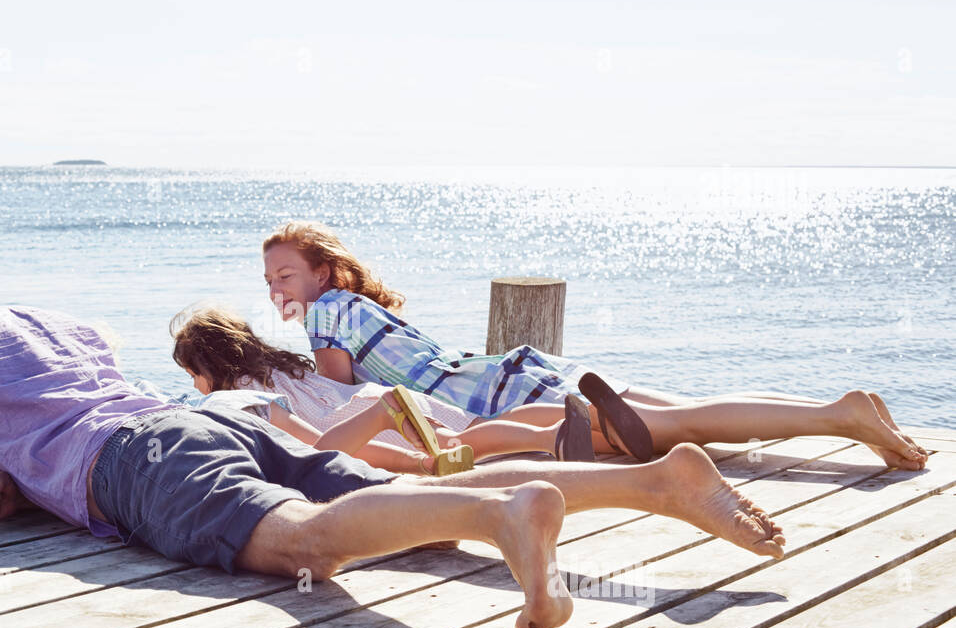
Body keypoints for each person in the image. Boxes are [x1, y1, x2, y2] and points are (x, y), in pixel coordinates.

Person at [0, 247, 785, 628]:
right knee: (394, 507)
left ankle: (506, 511)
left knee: (306, 543)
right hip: (222, 424)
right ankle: (656, 483)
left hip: (137, 464)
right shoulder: (60, 322)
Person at [260, 220, 930, 471]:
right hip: (518, 369)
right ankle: (837, 412)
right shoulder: (363, 305)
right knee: (689, 416)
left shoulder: (327, 315)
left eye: (286, 274)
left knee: (683, 426)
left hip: (500, 394)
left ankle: (838, 418)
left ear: (323, 272)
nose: (277, 287)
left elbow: (350, 395)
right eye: (270, 279)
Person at [171, 304, 600, 470]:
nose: (195, 385)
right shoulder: (280, 365)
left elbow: (314, 438)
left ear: (212, 364)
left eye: (194, 374)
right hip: (377, 398)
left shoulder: (243, 392)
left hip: (361, 421)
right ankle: (564, 427)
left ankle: (555, 437)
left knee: (458, 441)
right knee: (471, 430)